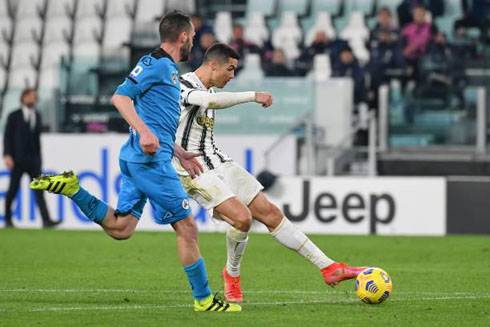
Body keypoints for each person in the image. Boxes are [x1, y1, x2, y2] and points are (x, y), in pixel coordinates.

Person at [30, 12, 240, 312]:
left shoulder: (166, 68)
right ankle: (204, 300)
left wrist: (178, 152)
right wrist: (143, 133)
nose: (193, 40)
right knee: (188, 228)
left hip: (144, 159)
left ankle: (73, 189)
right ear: (182, 36)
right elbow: (120, 98)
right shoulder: (154, 64)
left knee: (122, 227)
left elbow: (159, 120)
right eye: (192, 35)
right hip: (149, 163)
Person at [174, 42, 366, 303]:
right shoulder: (183, 84)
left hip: (219, 161)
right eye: (230, 69)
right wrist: (253, 95)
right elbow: (210, 101)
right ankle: (232, 275)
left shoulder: (208, 87)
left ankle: (329, 267)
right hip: (193, 169)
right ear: (213, 64)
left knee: (272, 214)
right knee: (242, 219)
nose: (232, 76)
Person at [3, 89, 59, 228]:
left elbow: (36, 139)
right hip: (18, 160)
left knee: (39, 191)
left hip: (33, 160)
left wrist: (39, 159)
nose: (33, 99)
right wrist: (7, 155)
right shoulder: (14, 116)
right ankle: (8, 219)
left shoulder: (37, 115)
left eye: (35, 97)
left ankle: (46, 220)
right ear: (23, 98)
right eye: (31, 97)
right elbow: (7, 137)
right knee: (13, 189)